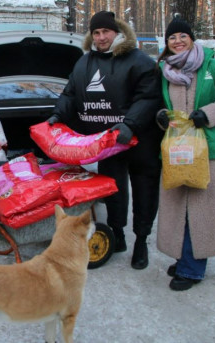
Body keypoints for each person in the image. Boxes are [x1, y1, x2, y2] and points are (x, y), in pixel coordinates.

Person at [48, 11, 163, 270]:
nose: (101, 37)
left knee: (144, 189)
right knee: (113, 190)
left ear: (116, 32)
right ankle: (118, 234)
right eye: (96, 33)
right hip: (107, 144)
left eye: (106, 32)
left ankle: (141, 241)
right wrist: (57, 114)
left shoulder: (138, 61)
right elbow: (70, 93)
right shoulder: (84, 63)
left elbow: (148, 97)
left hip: (140, 140)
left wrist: (129, 124)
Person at [155, 18, 215, 291]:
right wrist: (161, 117)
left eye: (183, 35)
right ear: (167, 44)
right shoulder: (165, 70)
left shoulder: (213, 67)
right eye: (172, 38)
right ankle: (185, 257)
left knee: (199, 209)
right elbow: (163, 106)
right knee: (180, 204)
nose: (178, 40)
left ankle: (192, 269)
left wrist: (207, 114)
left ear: (192, 39)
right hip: (179, 149)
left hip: (209, 149)